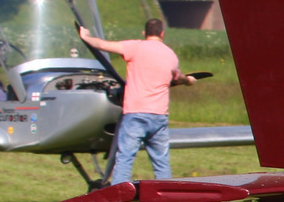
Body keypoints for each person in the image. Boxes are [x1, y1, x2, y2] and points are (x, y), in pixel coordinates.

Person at [78, 18, 196, 184]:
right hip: (159, 115)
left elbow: (103, 45)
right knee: (161, 160)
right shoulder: (171, 55)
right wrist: (189, 80)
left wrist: (86, 37)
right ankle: (165, 200)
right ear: (162, 33)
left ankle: (118, 201)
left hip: (136, 114)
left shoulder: (135, 47)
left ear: (144, 33)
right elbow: (178, 77)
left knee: (125, 157)